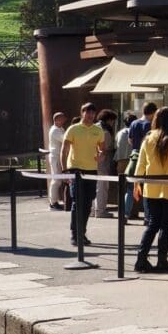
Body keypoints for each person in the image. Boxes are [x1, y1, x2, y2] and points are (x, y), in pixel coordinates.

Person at [134, 107, 168, 273]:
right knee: (166, 226)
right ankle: (162, 260)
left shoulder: (149, 138)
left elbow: (141, 164)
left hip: (151, 187)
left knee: (152, 224)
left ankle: (141, 258)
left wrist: (136, 184)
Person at [61, 103, 105, 246]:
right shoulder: (73, 129)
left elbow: (102, 150)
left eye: (93, 113)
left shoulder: (98, 130)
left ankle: (82, 233)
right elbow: (64, 150)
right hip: (75, 169)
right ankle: (75, 234)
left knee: (87, 204)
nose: (90, 115)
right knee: (77, 202)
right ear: (82, 113)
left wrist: (100, 156)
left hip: (91, 170)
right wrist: (64, 171)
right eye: (88, 112)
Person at [129, 102, 157, 223]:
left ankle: (125, 213)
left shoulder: (134, 123)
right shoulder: (150, 125)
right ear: (153, 112)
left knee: (131, 187)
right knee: (146, 187)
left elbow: (130, 140)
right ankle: (147, 216)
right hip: (146, 157)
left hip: (134, 156)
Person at [94, 109, 117, 218]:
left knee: (94, 186)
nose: (113, 123)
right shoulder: (105, 131)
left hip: (91, 161)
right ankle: (100, 210)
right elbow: (106, 147)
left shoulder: (93, 127)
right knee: (102, 187)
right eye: (112, 121)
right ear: (109, 120)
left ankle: (92, 209)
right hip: (103, 161)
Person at [115, 112, 136, 221]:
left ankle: (122, 211)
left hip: (120, 161)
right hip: (132, 161)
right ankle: (127, 212)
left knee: (122, 188)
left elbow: (115, 146)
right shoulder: (135, 132)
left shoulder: (119, 133)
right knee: (131, 188)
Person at [47, 112, 66, 211]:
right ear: (57, 119)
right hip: (56, 156)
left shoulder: (60, 129)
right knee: (56, 180)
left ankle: (54, 201)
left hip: (59, 156)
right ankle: (53, 203)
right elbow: (65, 139)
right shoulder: (55, 131)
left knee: (58, 180)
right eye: (62, 118)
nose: (64, 120)